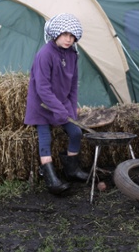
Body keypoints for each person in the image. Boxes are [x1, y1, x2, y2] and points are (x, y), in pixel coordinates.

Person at [24, 13, 90, 195]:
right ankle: (51, 178)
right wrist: (59, 109)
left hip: (61, 104)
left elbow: (73, 85)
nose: (68, 39)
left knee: (76, 132)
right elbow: (43, 88)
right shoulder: (45, 54)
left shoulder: (72, 55)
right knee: (46, 138)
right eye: (65, 35)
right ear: (56, 34)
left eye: (72, 36)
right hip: (42, 106)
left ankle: (72, 170)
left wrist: (71, 107)